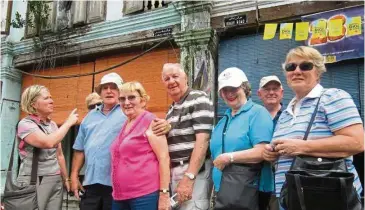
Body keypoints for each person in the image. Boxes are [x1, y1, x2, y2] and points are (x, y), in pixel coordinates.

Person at [262, 46, 364, 209]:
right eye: (291, 67)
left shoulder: (332, 97)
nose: (297, 71)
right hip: (292, 200)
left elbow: (357, 143)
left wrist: (301, 147)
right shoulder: (286, 113)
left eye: (305, 66)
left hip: (328, 199)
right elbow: (288, 150)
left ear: (318, 72)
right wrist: (272, 153)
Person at [210, 67, 274, 210]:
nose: (229, 93)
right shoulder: (223, 120)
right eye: (225, 90)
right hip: (224, 193)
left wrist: (229, 157)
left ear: (244, 87)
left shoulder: (258, 113)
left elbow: (263, 151)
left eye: (233, 88)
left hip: (249, 192)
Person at [153, 63, 214, 209]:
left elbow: (203, 140)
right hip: (176, 172)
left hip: (193, 171)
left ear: (185, 78)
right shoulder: (172, 109)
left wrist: (189, 177)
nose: (171, 81)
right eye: (166, 79)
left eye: (175, 76)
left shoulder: (198, 98)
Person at [17, 85, 79, 210]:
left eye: (51, 97)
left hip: (55, 178)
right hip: (34, 180)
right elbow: (48, 143)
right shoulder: (26, 124)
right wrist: (68, 123)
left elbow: (59, 155)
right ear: (34, 104)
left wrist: (65, 179)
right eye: (46, 98)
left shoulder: (52, 125)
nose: (52, 101)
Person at [110, 81, 170, 210]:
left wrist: (164, 194)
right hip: (120, 196)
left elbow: (164, 158)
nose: (126, 102)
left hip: (144, 195)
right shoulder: (126, 124)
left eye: (131, 97)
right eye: (122, 99)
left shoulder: (151, 122)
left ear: (142, 101)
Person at [71, 72, 127, 210]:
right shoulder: (90, 117)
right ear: (100, 93)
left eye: (113, 87)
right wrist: (73, 175)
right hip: (90, 184)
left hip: (117, 185)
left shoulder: (128, 112)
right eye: (105, 88)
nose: (109, 91)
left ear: (120, 91)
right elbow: (79, 149)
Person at [257, 75, 284, 210]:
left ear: (281, 92)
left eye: (275, 89)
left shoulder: (290, 115)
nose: (271, 92)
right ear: (259, 94)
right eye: (267, 89)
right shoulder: (254, 117)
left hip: (283, 180)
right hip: (258, 180)